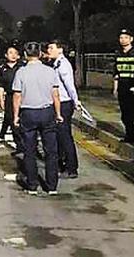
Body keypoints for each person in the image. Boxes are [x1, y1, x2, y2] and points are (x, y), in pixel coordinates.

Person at [13, 42, 62, 195]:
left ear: (25, 55)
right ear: (40, 54)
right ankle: (52, 186)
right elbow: (55, 94)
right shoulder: (50, 71)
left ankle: (32, 185)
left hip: (28, 113)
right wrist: (58, 113)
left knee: (30, 150)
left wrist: (15, 116)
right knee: (51, 151)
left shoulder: (21, 72)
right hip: (47, 112)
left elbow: (17, 96)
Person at [47, 39, 80, 178]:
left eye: (51, 48)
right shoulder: (56, 63)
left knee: (65, 136)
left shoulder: (63, 64)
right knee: (59, 136)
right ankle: (62, 163)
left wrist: (75, 101)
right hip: (58, 102)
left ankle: (71, 168)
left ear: (60, 50)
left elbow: (70, 85)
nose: (49, 50)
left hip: (64, 103)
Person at [113, 29, 134, 144]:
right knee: (125, 114)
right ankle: (130, 135)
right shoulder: (118, 54)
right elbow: (116, 73)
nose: (123, 40)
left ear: (131, 39)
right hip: (122, 88)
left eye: (125, 37)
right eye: (121, 38)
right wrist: (115, 88)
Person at [0, 46, 25, 154]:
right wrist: (1, 100)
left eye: (15, 53)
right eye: (10, 53)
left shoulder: (22, 67)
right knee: (12, 121)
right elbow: (0, 86)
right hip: (9, 97)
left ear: (18, 56)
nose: (13, 55)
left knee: (23, 121)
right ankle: (19, 146)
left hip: (23, 96)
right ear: (6, 55)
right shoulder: (3, 68)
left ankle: (29, 145)